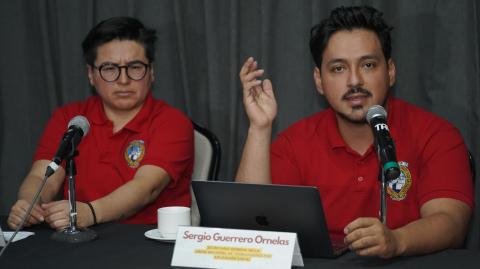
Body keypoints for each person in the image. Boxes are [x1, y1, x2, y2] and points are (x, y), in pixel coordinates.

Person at [236, 5, 473, 258]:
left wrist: (397, 240)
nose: (354, 81)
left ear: (390, 71)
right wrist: (259, 128)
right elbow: (248, 227)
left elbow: (451, 223)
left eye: (368, 65)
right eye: (339, 68)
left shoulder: (436, 134)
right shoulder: (295, 143)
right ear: (319, 80)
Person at [7, 17, 194, 230]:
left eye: (135, 67)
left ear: (151, 72)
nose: (123, 80)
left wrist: (90, 212)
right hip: (77, 236)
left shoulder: (173, 122)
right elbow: (44, 177)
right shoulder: (69, 118)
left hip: (145, 240)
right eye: (109, 68)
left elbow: (145, 188)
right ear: (91, 74)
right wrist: (29, 204)